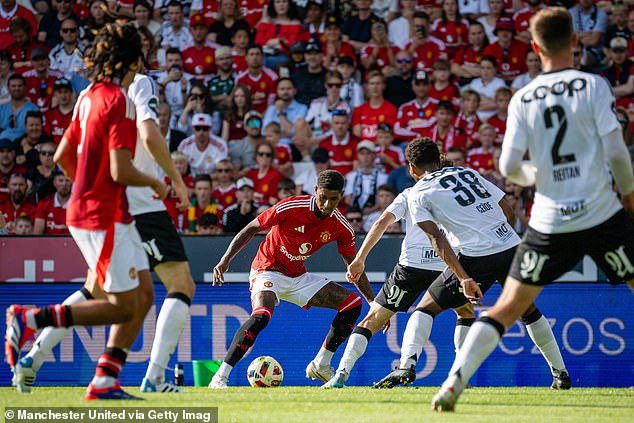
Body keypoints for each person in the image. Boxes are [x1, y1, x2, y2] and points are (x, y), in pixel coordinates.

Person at [432, 8, 634, 412]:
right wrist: (628, 199)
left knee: (509, 306)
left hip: (549, 219)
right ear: (575, 42)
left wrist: (537, 173)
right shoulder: (593, 85)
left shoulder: (523, 96)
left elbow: (508, 168)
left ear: (535, 46)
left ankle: (454, 382)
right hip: (600, 213)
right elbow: (616, 152)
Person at [5, 23, 167, 400]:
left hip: (100, 210)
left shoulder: (89, 95)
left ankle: (106, 378)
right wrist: (156, 182)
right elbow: (121, 170)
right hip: (103, 214)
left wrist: (89, 187)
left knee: (143, 296)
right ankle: (31, 318)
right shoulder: (121, 101)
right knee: (122, 308)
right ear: (133, 58)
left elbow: (62, 157)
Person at [374, 138, 568, 392]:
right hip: (511, 246)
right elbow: (507, 210)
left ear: (411, 168)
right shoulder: (468, 172)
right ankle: (560, 373)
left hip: (475, 256)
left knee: (424, 309)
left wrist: (464, 277)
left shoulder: (419, 193)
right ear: (438, 157)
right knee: (528, 310)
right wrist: (498, 243)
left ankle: (407, 365)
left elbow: (436, 238)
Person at [209, 170, 375, 388]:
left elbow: (355, 268)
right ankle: (219, 377)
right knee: (262, 316)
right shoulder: (292, 206)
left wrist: (373, 303)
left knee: (352, 304)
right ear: (315, 191)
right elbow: (252, 228)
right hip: (266, 269)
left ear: (341, 196)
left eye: (333, 199)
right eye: (323, 197)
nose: (326, 204)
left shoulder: (341, 226)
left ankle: (321, 364)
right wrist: (225, 259)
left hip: (297, 276)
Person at [323, 182, 472, 389]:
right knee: (465, 312)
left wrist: (360, 258)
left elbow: (382, 221)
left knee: (371, 321)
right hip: (445, 265)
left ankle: (341, 374)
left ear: (413, 169)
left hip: (411, 267)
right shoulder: (454, 192)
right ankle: (460, 377)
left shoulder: (409, 193)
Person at [343, 140, 389, 214]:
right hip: (354, 215)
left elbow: (383, 201)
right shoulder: (350, 176)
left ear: (374, 155)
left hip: (375, 214)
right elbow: (348, 199)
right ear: (358, 156)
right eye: (362, 154)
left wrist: (367, 212)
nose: (365, 157)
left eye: (368, 153)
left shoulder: (383, 177)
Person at [33, 170, 71, 234]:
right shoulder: (44, 203)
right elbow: (37, 234)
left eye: (67, 180)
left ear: (72, 182)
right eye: (60, 180)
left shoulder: (79, 204)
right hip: (48, 243)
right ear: (54, 183)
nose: (64, 184)